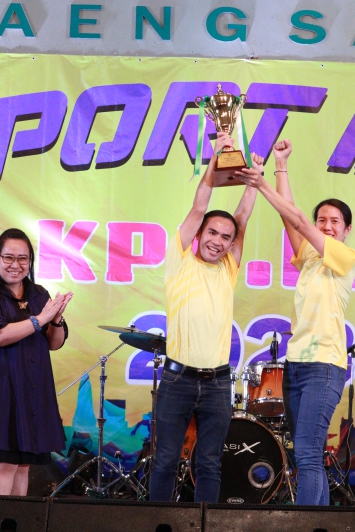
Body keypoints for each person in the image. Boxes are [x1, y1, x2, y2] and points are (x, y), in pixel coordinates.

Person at [235, 139, 355, 506]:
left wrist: (262, 184)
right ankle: (318, 521)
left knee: (306, 454)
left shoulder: (344, 257)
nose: (327, 226)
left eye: (335, 222)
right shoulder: (308, 258)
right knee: (306, 455)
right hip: (297, 363)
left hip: (324, 365)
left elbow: (300, 220)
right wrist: (281, 165)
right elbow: (292, 220)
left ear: (347, 229)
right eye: (323, 220)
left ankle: (307, 522)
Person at [149, 131, 260, 503]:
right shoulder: (180, 260)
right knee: (165, 461)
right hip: (177, 379)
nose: (218, 240)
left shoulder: (229, 268)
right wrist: (215, 159)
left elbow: (242, 219)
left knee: (210, 464)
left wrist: (255, 181)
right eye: (212, 232)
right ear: (198, 233)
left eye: (226, 237)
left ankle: (204, 526)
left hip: (217, 384)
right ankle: (156, 525)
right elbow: (200, 206)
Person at [0, 228, 73, 495]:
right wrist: (41, 319)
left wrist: (55, 319)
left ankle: (15, 518)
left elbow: (54, 343)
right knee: (4, 463)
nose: (16, 265)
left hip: (32, 390)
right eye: (9, 257)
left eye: (23, 259)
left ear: (30, 262)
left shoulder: (39, 294)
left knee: (23, 465)